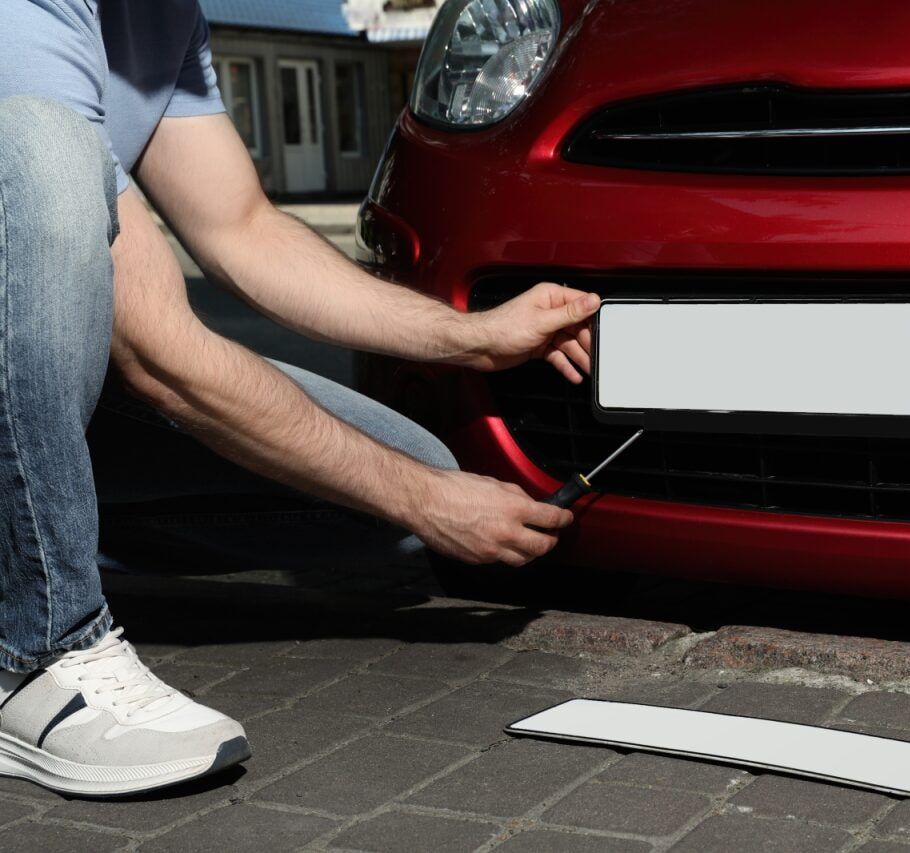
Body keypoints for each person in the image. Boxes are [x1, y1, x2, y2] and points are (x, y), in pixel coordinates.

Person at [0, 0, 599, 796]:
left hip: (32, 395)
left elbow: (243, 227)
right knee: (43, 145)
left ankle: (33, 540)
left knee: (396, 487)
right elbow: (159, 350)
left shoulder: (168, 17)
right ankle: (36, 649)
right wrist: (431, 501)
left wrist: (475, 335)